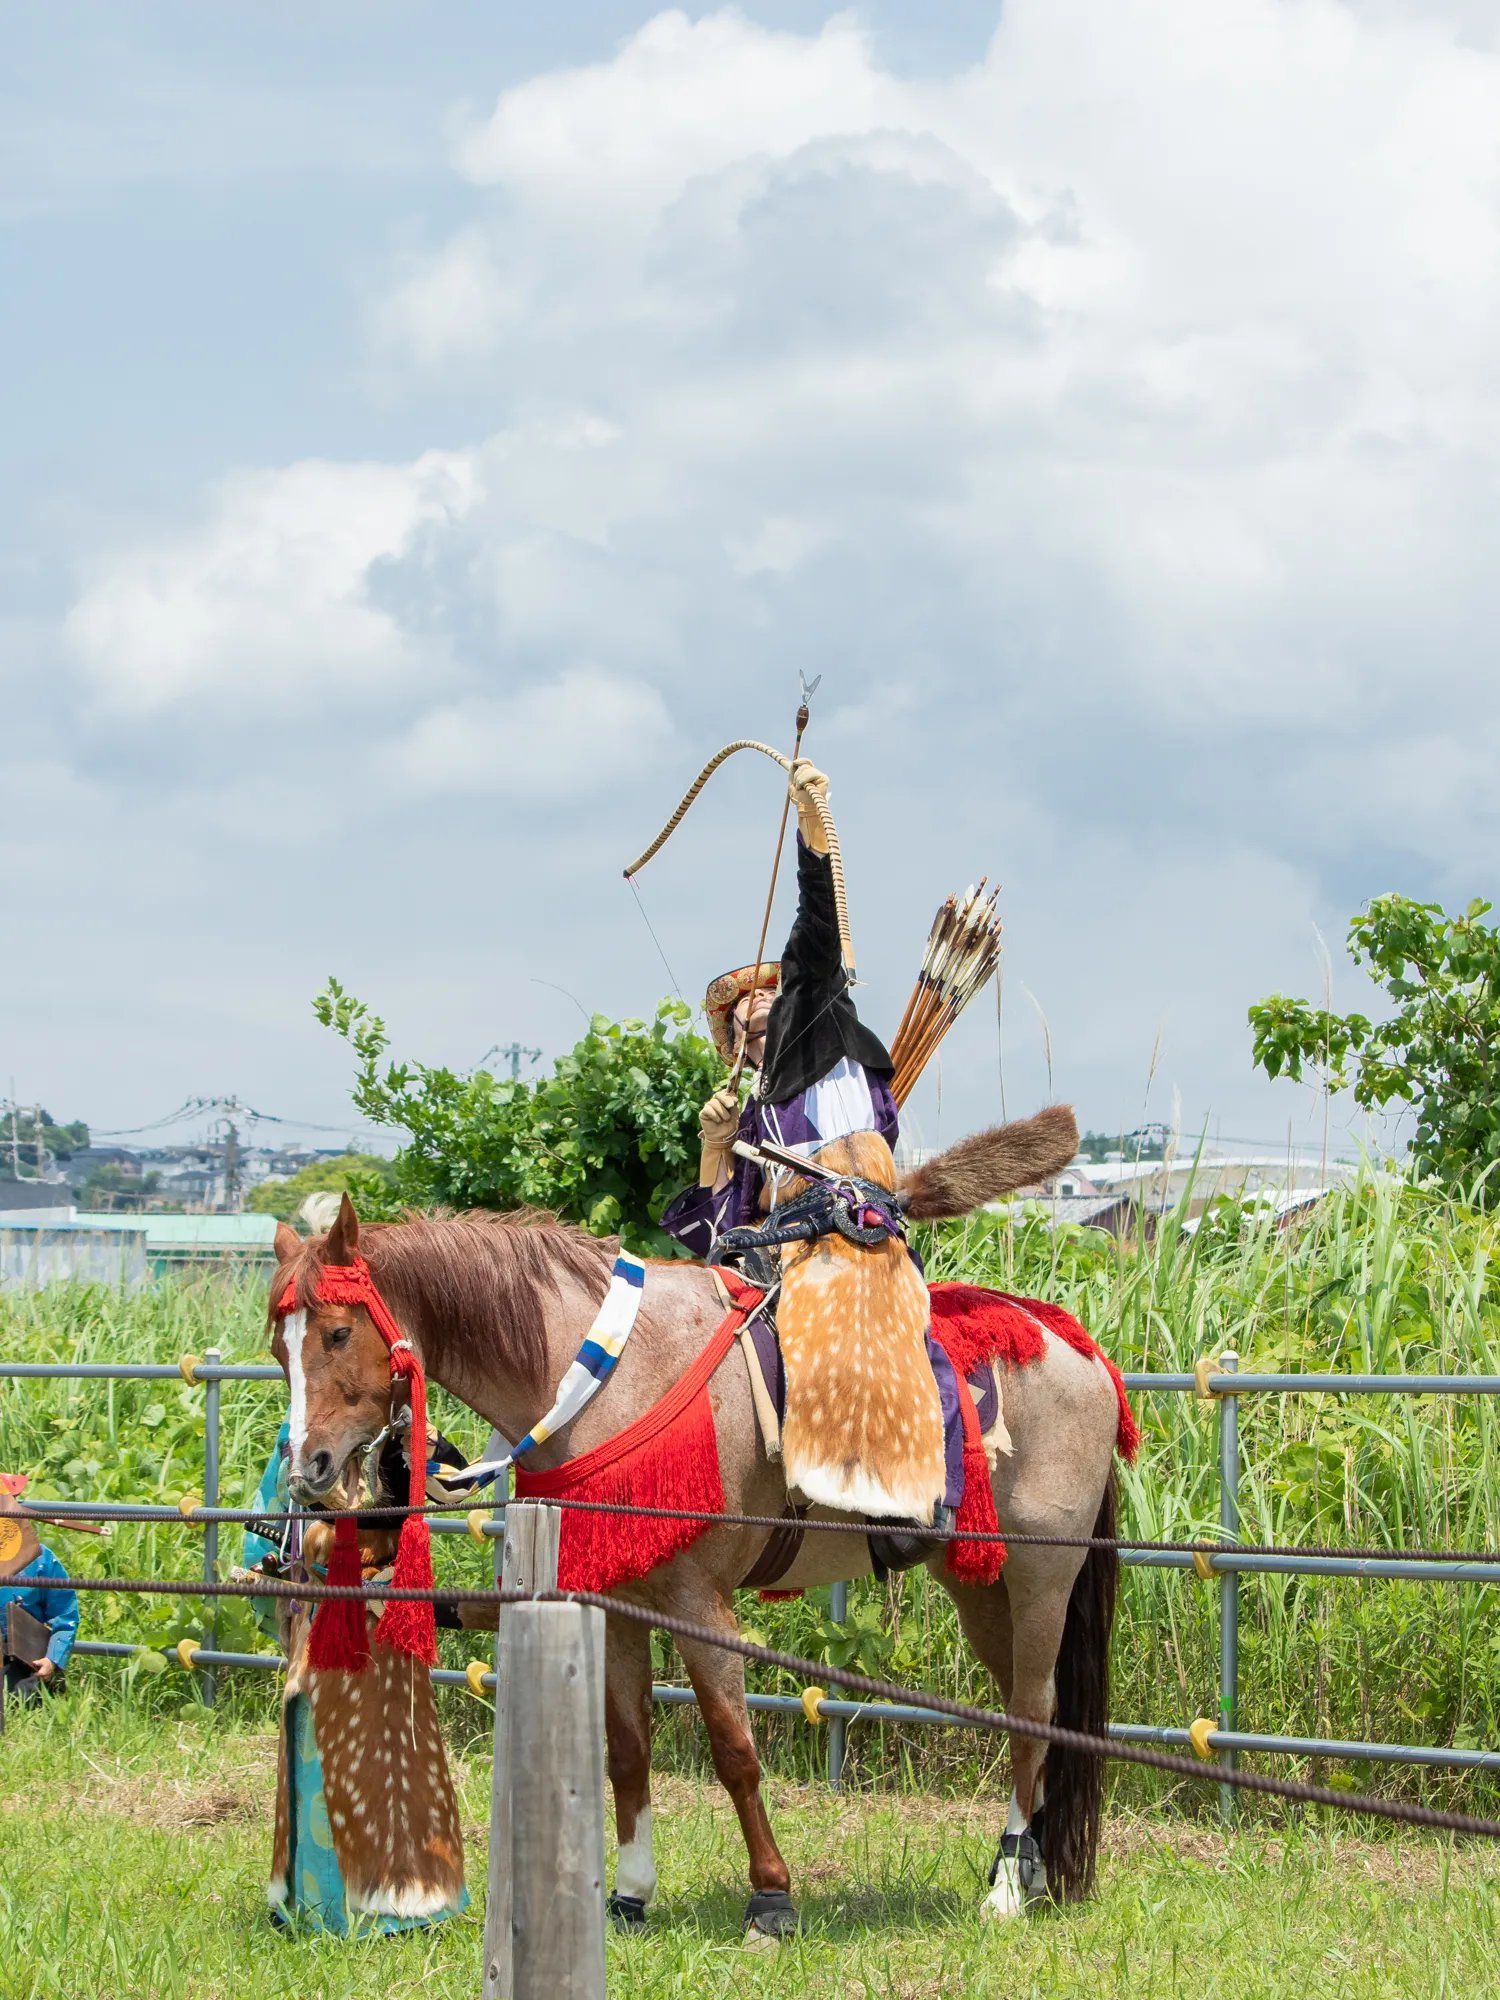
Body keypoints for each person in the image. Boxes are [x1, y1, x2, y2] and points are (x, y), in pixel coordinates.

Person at [236, 1420, 473, 1937]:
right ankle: (317, 1903)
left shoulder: (401, 1430)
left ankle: (408, 1900)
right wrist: (275, 1580)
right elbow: (270, 1520)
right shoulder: (296, 1435)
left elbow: (461, 1487)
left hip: (385, 1619)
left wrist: (421, 1443)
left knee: (394, 1759)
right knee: (315, 1753)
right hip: (320, 1616)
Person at [661, 760, 900, 1256]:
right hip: (793, 1251)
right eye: (744, 1004)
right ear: (740, 1049)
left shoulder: (818, 1024)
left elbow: (817, 925)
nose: (761, 996)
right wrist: (716, 1147)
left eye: (770, 990)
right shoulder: (756, 1110)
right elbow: (723, 1229)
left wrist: (812, 824)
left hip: (867, 1229)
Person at [0, 1475, 80, 1704]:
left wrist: (52, 1659)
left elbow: (65, 1615)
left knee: (22, 1694)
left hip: (22, 1658)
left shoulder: (42, 1560)